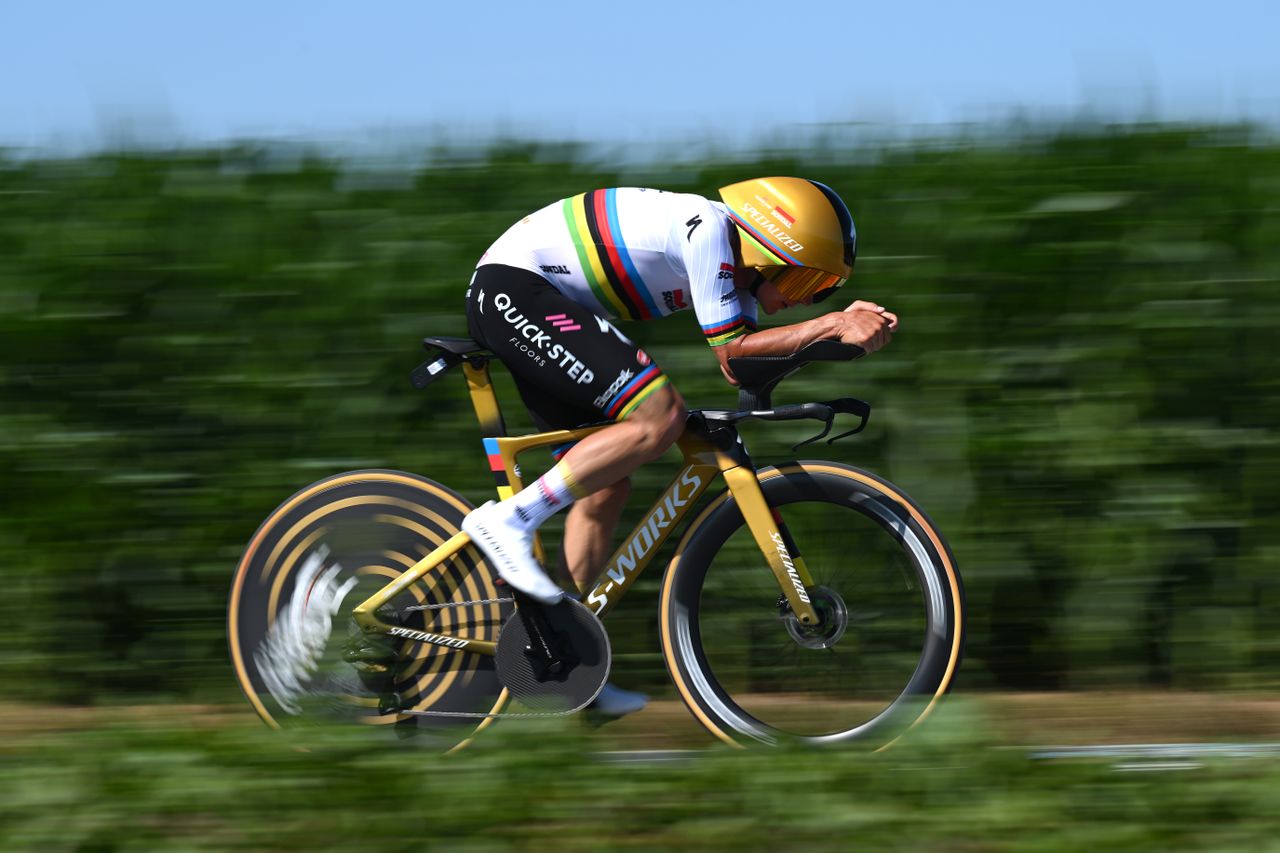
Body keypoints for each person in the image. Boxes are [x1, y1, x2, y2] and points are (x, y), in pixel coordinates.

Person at [460, 177, 897, 716]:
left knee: (606, 485)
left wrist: (835, 339)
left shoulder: (738, 277)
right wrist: (833, 322)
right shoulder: (710, 230)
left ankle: (565, 656)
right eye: (804, 278)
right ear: (766, 247)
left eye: (822, 288)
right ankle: (509, 520)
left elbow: (747, 371)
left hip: (538, 300)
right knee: (661, 414)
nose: (803, 299)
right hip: (515, 289)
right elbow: (734, 355)